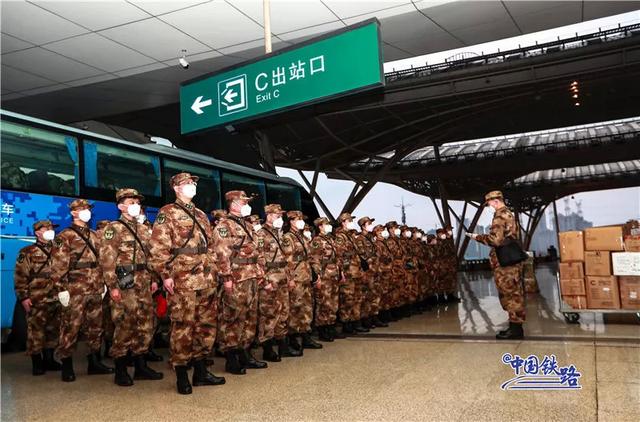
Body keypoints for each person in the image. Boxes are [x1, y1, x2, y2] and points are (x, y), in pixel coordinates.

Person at [149, 173, 224, 394]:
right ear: (176, 188)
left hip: (206, 279)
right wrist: (165, 275)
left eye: (193, 183)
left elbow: (211, 246)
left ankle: (201, 372)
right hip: (183, 280)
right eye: (187, 183)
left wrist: (215, 270)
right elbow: (158, 248)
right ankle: (182, 375)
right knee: (183, 326)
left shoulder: (200, 214)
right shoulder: (167, 213)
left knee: (206, 325)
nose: (192, 186)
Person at [99, 188, 163, 387]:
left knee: (145, 323)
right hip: (124, 282)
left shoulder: (143, 229)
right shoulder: (113, 229)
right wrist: (112, 286)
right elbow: (107, 260)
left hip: (144, 281)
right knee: (125, 323)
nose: (135, 205)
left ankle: (141, 366)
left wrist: (154, 279)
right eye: (131, 202)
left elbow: (151, 257)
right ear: (120, 206)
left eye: (137, 202)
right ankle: (120, 369)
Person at [51, 199, 113, 382]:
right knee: (71, 327)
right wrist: (61, 289)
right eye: (82, 208)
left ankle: (94, 362)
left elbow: (102, 261)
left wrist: (104, 284)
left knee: (96, 327)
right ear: (73, 212)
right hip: (75, 290)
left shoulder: (94, 235)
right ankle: (66, 365)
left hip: (95, 287)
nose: (86, 211)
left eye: (88, 208)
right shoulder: (65, 236)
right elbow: (58, 266)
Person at [213, 190, 268, 375]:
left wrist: (260, 272)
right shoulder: (224, 226)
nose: (247, 205)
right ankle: (231, 357)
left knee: (250, 317)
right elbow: (222, 254)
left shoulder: (247, 225)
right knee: (233, 317)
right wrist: (226, 278)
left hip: (251, 276)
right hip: (237, 278)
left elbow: (257, 252)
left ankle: (245, 353)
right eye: (244, 202)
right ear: (234, 204)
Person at [468, 190, 525, 340]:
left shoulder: (500, 216)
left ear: (495, 201)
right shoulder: (509, 214)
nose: (490, 207)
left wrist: (477, 237)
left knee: (509, 294)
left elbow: (495, 240)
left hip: (505, 263)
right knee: (514, 292)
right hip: (511, 260)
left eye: (489, 204)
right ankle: (515, 327)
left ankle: (515, 330)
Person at [14, 220, 62, 375]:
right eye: (46, 228)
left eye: (51, 228)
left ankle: (49, 359)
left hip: (55, 297)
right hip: (36, 297)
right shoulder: (27, 252)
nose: (50, 230)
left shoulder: (59, 250)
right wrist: (23, 297)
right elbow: (20, 276)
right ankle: (37, 362)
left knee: (53, 330)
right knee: (36, 331)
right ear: (37, 232)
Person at [256, 204, 301, 359]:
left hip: (282, 277)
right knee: (269, 313)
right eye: (277, 216)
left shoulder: (279, 234)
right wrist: (264, 281)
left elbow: (285, 259)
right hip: (270, 279)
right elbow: (258, 260)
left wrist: (290, 278)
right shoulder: (261, 234)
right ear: (268, 215)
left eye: (281, 216)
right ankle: (267, 348)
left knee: (283, 312)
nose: (280, 219)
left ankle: (283, 346)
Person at [282, 210, 322, 351]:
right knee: (295, 307)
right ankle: (293, 337)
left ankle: (305, 335)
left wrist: (315, 274)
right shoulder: (288, 238)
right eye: (298, 219)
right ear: (291, 221)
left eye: (302, 219)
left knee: (306, 307)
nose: (301, 222)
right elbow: (287, 261)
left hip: (306, 277)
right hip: (297, 278)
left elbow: (310, 257)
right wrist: (290, 279)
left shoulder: (302, 237)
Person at [309, 217, 343, 342]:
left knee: (333, 302)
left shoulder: (330, 239)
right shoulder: (317, 241)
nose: (329, 226)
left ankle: (331, 326)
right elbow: (314, 259)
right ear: (320, 227)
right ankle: (323, 329)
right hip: (325, 276)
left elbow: (336, 257)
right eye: (326, 224)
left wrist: (340, 272)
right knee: (324, 302)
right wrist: (318, 277)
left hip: (333, 274)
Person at [334, 213, 368, 334]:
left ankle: (354, 322)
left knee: (355, 298)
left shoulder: (349, 236)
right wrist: (341, 272)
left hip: (355, 271)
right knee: (347, 299)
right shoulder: (340, 237)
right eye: (349, 221)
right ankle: (346, 324)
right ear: (343, 222)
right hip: (348, 272)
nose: (351, 223)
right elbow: (339, 256)